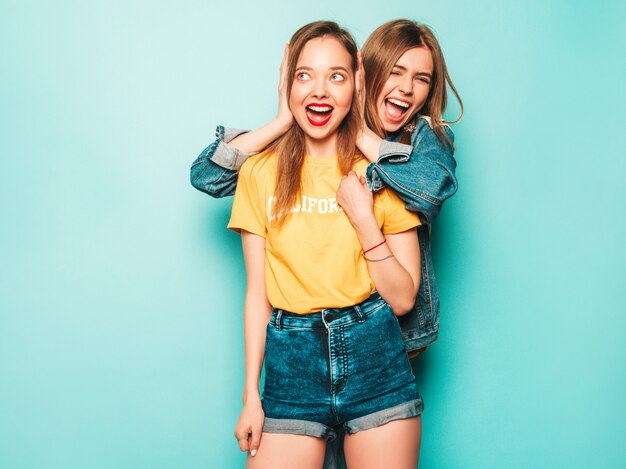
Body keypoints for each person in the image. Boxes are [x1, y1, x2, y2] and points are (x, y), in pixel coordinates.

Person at [190, 19, 463, 359]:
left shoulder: (425, 137)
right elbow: (207, 176)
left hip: (392, 332)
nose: (407, 88)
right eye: (396, 72)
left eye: (421, 79)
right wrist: (282, 121)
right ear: (367, 73)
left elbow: (431, 186)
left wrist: (361, 133)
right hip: (312, 341)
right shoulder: (317, 130)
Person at [226, 21, 424, 467]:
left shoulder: (383, 172)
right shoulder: (259, 172)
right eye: (304, 75)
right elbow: (256, 295)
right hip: (290, 365)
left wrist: (363, 217)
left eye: (336, 76)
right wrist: (251, 397)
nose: (319, 91)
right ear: (286, 84)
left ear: (355, 84)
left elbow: (404, 298)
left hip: (374, 356)